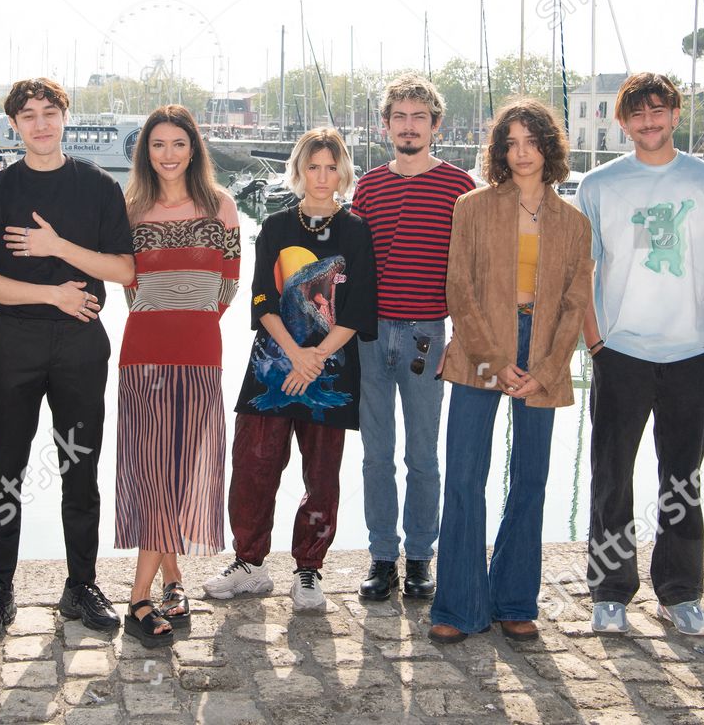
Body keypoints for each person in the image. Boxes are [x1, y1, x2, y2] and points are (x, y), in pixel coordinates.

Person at [576, 73, 704, 637]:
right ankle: (611, 590)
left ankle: (680, 593)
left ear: (675, 113)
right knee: (611, 476)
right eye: (637, 115)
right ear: (622, 122)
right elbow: (583, 271)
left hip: (690, 355)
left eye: (659, 112)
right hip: (619, 351)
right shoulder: (600, 186)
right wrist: (595, 341)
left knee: (682, 479)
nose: (648, 123)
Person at [0, 79, 135, 638]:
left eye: (49, 113)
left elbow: (126, 271)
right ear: (13, 125)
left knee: (79, 470)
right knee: (3, 471)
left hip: (82, 343)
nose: (40, 124)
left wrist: (58, 248)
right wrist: (52, 292)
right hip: (15, 343)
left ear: (66, 117)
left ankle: (81, 584)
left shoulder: (99, 186)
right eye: (28, 115)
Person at [429, 98, 593, 644]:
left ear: (550, 147)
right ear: (500, 151)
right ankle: (458, 605)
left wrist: (543, 366)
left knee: (531, 478)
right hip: (482, 346)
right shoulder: (472, 206)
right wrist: (497, 362)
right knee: (465, 476)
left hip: (542, 350)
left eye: (532, 141)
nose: (522, 153)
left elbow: (574, 302)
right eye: (511, 143)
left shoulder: (573, 222)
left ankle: (515, 599)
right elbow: (459, 288)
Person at [203, 128, 376, 612]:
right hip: (272, 367)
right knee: (254, 466)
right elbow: (262, 298)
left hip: (333, 371)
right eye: (312, 167)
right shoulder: (277, 226)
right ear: (298, 171)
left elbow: (360, 310)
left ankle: (309, 569)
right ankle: (249, 563)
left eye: (331, 167)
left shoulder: (356, 231)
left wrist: (316, 357)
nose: (322, 178)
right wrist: (294, 354)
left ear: (343, 173)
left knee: (321, 475)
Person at [115, 105, 240, 648]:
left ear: (194, 149)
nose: (168, 154)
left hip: (200, 354)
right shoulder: (131, 209)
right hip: (143, 355)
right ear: (146, 151)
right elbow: (128, 286)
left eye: (178, 144)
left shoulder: (221, 206)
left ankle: (173, 580)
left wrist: (191, 319)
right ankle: (139, 598)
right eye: (158, 145)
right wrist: (166, 316)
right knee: (153, 473)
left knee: (182, 469)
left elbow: (230, 283)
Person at [350, 75, 475, 602]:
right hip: (371, 336)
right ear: (386, 126)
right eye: (399, 116)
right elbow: (352, 268)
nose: (408, 126)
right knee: (376, 454)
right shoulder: (369, 186)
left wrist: (462, 337)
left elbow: (473, 270)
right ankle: (383, 556)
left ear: (435, 125)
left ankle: (421, 557)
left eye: (418, 117)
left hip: (428, 335)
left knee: (423, 455)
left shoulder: (460, 187)